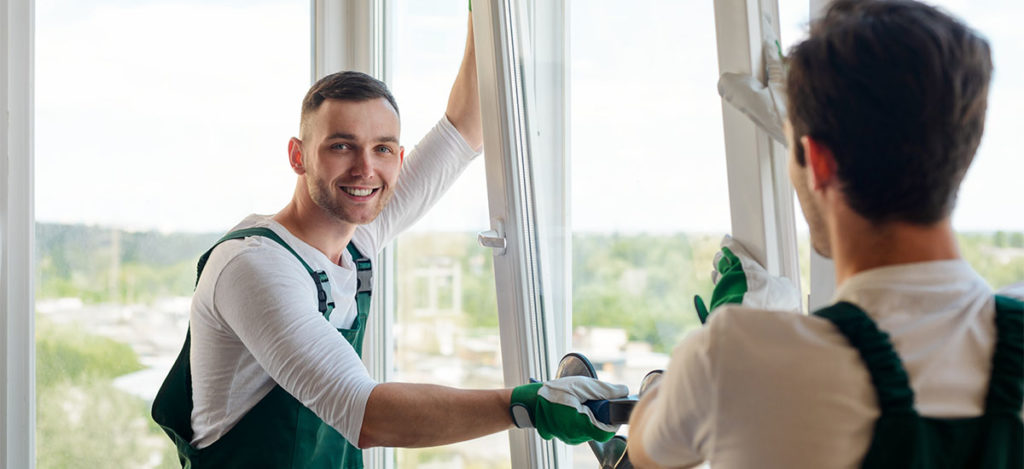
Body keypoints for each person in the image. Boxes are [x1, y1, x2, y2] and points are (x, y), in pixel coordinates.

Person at [151, 11, 627, 469]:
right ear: (298, 156)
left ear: (397, 158)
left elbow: (466, 124)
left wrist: (483, 12)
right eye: (341, 146)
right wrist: (528, 405)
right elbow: (368, 414)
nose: (364, 169)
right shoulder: (254, 267)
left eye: (381, 149)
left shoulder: (357, 237)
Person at [628, 1, 1023, 467]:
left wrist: (671, 379)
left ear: (817, 161)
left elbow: (648, 449)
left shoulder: (736, 360)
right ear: (968, 147)